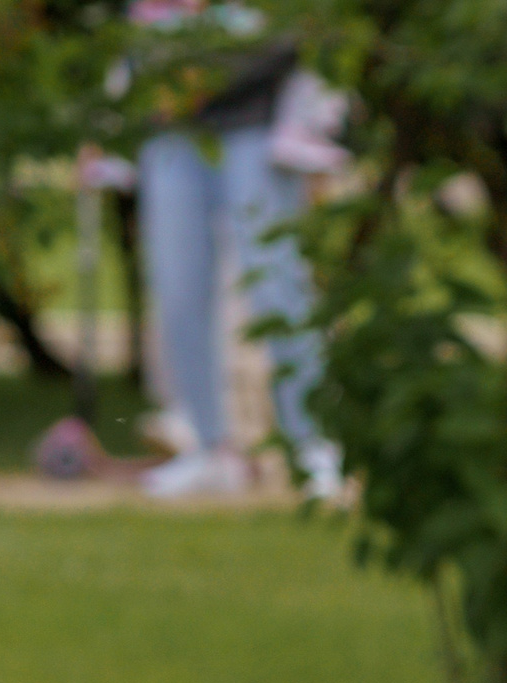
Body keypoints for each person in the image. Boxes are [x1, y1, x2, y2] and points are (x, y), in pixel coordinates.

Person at [126, 2, 347, 500]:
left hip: (256, 124)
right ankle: (209, 449)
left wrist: (203, 81)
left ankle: (312, 443)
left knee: (275, 281)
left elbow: (291, 31)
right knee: (176, 285)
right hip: (172, 131)